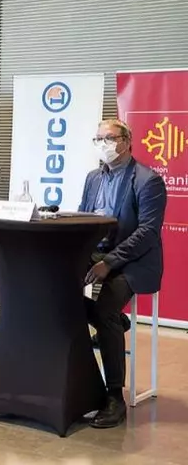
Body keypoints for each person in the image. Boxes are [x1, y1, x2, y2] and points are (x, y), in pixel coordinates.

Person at [78, 119, 167, 429]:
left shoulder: (148, 180)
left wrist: (109, 262)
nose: (103, 144)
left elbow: (148, 232)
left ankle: (114, 397)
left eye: (109, 138)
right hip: (98, 255)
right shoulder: (93, 178)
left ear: (127, 141)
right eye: (97, 138)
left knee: (104, 308)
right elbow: (83, 218)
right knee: (57, 289)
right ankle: (114, 324)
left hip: (134, 261)